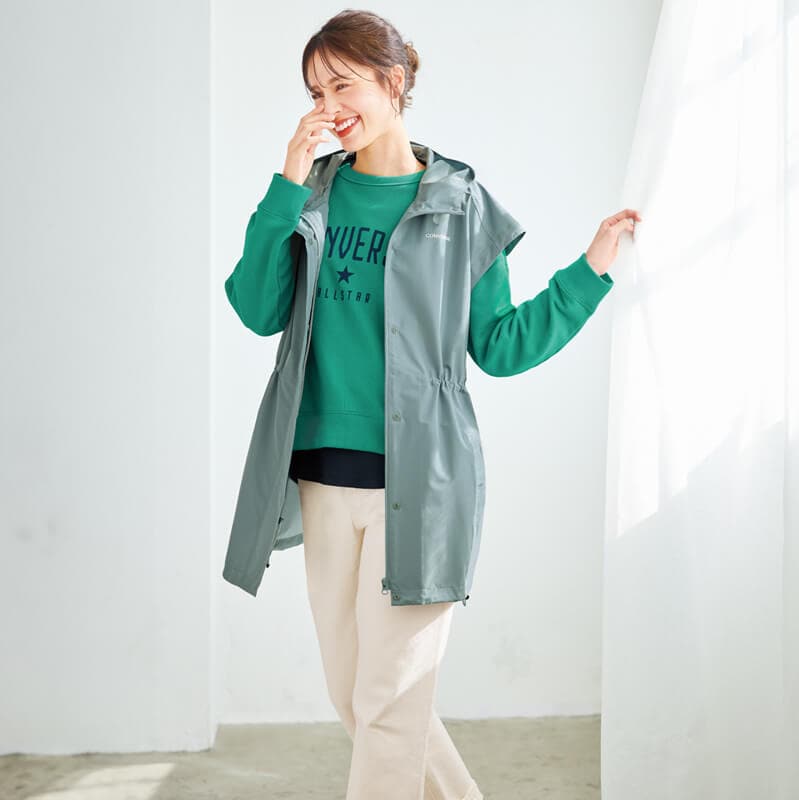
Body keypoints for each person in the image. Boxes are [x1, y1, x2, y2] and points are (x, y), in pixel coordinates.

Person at [223, 9, 641, 800]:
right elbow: (255, 307)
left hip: (422, 484)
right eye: (315, 92)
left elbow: (501, 345)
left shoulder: (460, 202)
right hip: (322, 480)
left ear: (393, 83)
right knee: (360, 697)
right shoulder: (311, 195)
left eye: (342, 85)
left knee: (389, 704)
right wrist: (285, 182)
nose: (327, 107)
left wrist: (589, 271)